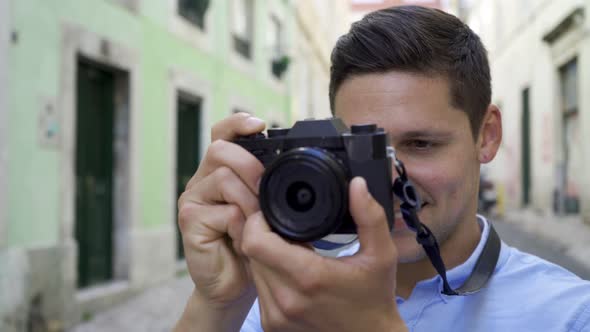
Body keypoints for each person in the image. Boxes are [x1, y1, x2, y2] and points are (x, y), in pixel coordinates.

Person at [174, 5, 590, 332]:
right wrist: (217, 304)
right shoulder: (284, 296)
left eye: (421, 144)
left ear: (487, 136)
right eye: (363, 148)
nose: (390, 179)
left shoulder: (569, 316)